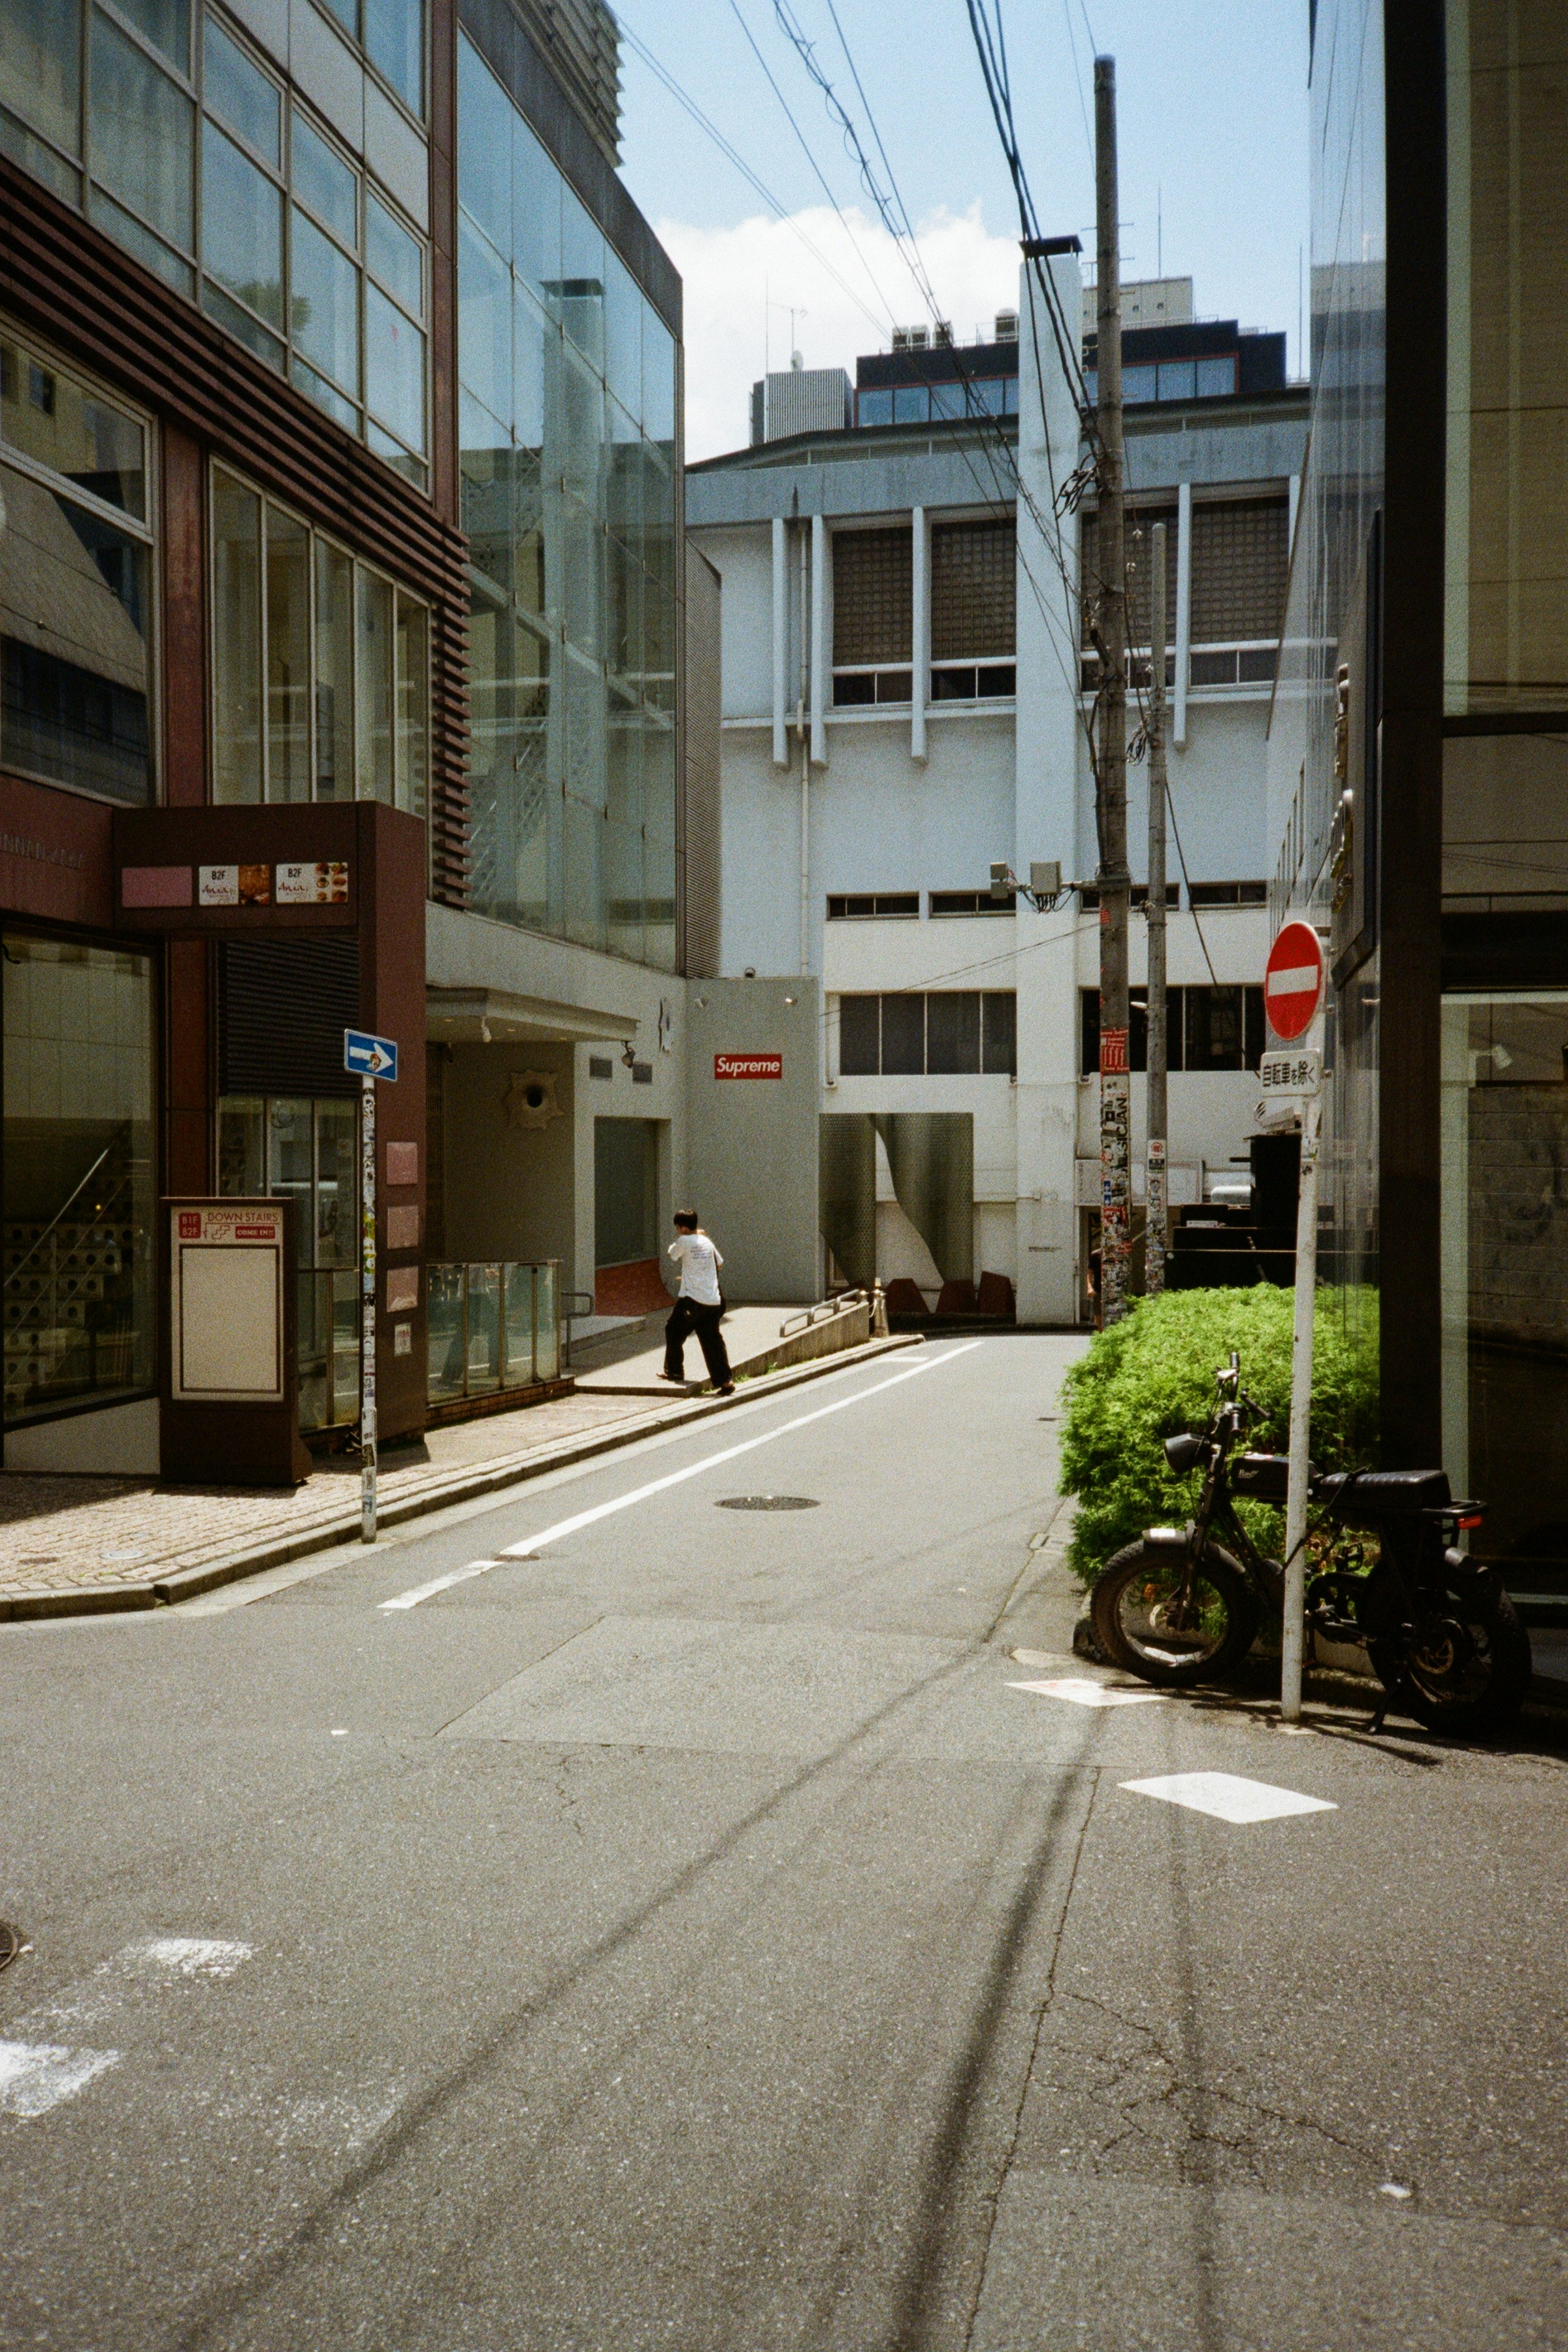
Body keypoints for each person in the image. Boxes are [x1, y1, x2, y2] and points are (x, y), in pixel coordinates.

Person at [661, 1211, 734, 1394]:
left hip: (692, 1300)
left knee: (673, 1331)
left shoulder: (684, 1241)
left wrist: (685, 1241)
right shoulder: (707, 1242)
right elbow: (720, 1264)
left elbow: (672, 1255)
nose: (677, 1231)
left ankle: (674, 1371)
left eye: (678, 1228)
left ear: (683, 1228)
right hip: (712, 1301)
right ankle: (725, 1381)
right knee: (712, 1341)